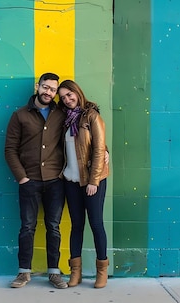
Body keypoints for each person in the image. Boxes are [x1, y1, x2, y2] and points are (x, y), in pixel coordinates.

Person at [4, 72, 68, 289]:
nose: (49, 92)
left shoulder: (62, 114)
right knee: (27, 227)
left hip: (55, 181)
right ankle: (23, 273)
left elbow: (82, 134)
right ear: (37, 86)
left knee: (54, 227)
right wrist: (22, 177)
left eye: (52, 89)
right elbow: (10, 150)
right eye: (45, 87)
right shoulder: (20, 115)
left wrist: (103, 149)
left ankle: (54, 273)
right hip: (29, 180)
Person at [57, 79, 109, 288]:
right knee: (76, 225)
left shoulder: (92, 116)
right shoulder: (64, 119)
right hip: (70, 180)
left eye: (70, 95)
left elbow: (98, 148)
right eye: (63, 97)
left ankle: (102, 271)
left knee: (96, 224)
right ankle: (75, 273)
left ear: (77, 92)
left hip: (92, 181)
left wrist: (94, 180)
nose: (68, 100)